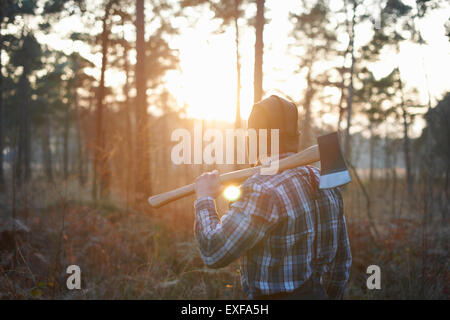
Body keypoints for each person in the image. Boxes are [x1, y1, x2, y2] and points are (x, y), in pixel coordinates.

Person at [193, 95, 352, 300]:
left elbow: (213, 252)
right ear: (295, 135)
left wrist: (205, 199)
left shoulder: (262, 190)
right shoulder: (326, 182)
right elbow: (341, 264)